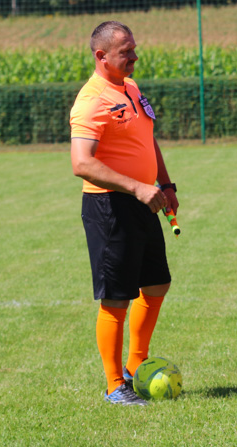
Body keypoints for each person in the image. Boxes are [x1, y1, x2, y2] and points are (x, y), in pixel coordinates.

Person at [69, 21, 179, 406]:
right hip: (110, 207)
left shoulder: (131, 88)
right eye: (125, 52)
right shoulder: (91, 99)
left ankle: (135, 365)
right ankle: (115, 385)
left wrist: (165, 185)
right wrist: (136, 187)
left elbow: (147, 140)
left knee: (156, 284)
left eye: (134, 49)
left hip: (145, 201)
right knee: (116, 298)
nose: (134, 57)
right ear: (101, 56)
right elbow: (81, 163)